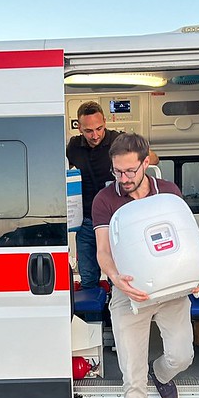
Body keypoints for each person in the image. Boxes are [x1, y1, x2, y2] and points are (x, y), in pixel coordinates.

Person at [92, 133, 199, 398]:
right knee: (132, 380)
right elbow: (104, 251)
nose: (123, 178)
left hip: (171, 289)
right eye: (118, 171)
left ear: (146, 163)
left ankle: (163, 373)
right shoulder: (105, 199)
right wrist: (115, 277)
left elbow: (185, 239)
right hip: (129, 295)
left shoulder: (168, 192)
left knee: (182, 356)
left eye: (130, 170)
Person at [66, 101, 158, 289]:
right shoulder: (73, 147)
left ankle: (116, 305)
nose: (95, 135)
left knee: (121, 272)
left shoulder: (119, 141)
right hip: (87, 220)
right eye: (88, 131)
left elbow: (153, 159)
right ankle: (94, 307)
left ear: (105, 123)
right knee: (87, 276)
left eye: (99, 128)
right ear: (79, 128)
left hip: (118, 218)